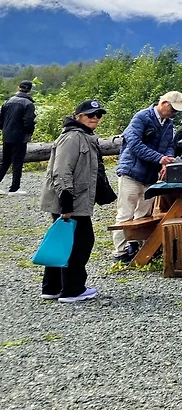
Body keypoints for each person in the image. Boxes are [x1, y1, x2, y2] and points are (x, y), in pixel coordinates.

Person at [39, 99, 111, 303]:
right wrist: (66, 202)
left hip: (75, 199)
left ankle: (53, 287)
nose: (95, 118)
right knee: (80, 243)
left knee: (61, 241)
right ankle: (73, 290)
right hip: (71, 200)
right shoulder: (72, 137)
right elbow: (61, 171)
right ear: (78, 116)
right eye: (90, 115)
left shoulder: (84, 136)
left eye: (98, 115)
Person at [112, 90, 182, 262]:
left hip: (150, 175)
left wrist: (167, 160)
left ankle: (137, 246)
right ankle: (120, 252)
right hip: (131, 172)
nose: (174, 113)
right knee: (125, 213)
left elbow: (169, 145)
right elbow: (134, 143)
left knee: (144, 214)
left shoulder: (168, 124)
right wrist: (159, 158)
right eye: (173, 109)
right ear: (164, 103)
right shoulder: (141, 117)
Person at [1, 80, 37, 195]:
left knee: (5, 161)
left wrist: (5, 129)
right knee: (17, 162)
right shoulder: (28, 104)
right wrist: (29, 132)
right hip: (20, 136)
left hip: (7, 135)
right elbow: (28, 121)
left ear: (18, 87)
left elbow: (1, 120)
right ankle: (14, 188)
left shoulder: (8, 101)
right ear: (30, 90)